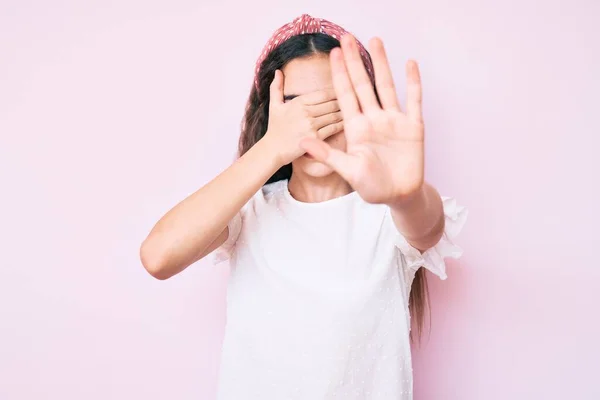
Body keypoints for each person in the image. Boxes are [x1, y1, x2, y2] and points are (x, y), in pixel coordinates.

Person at [140, 13, 468, 400]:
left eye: (334, 106)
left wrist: (405, 194)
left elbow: (425, 227)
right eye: (297, 108)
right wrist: (271, 147)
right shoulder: (249, 213)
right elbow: (158, 256)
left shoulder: (388, 216)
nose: (316, 126)